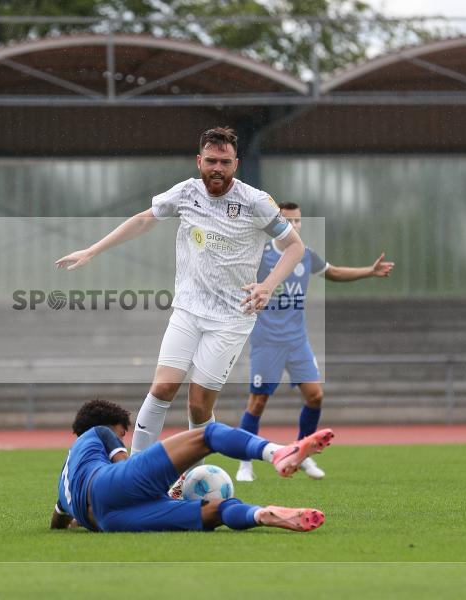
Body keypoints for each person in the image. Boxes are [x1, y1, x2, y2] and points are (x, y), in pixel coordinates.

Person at [56, 127, 305, 455]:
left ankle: (193, 477)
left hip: (232, 317)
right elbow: (144, 220)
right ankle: (136, 472)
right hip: (188, 309)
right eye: (211, 161)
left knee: (199, 406)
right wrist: (92, 250)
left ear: (236, 164)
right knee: (162, 388)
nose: (218, 168)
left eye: (225, 162)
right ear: (199, 161)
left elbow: (295, 246)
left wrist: (268, 285)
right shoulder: (186, 192)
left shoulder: (256, 202)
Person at [236, 202, 394, 483]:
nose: (294, 226)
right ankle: (244, 463)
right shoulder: (260, 255)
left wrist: (369, 271)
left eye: (297, 221)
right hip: (267, 341)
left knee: (315, 396)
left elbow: (334, 273)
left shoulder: (306, 255)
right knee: (257, 402)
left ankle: (302, 453)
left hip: (297, 341)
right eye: (288, 221)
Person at [51, 399, 334, 533]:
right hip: (108, 486)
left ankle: (262, 515)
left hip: (110, 522)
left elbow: (58, 520)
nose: (122, 439)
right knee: (208, 435)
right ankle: (277, 453)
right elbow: (125, 469)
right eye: (122, 433)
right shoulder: (99, 433)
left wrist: (76, 521)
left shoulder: (65, 480)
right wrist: (158, 481)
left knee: (216, 512)